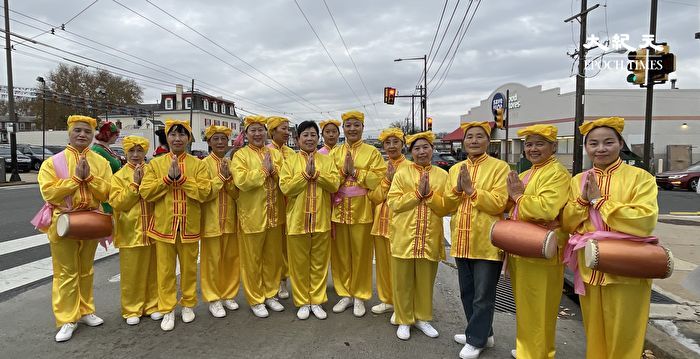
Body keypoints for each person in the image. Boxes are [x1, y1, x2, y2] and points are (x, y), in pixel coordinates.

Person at [562, 117, 659, 359]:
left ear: (620, 144)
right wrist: (583, 201)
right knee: (594, 332)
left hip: (626, 264)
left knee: (625, 334)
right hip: (590, 264)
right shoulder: (578, 180)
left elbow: (644, 221)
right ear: (586, 148)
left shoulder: (640, 178)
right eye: (593, 144)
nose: (600, 149)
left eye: (608, 142)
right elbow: (568, 223)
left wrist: (600, 201)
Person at [36, 115, 111, 342]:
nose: (82, 135)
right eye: (77, 130)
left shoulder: (101, 162)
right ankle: (67, 318)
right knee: (66, 272)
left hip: (90, 220)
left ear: (92, 136)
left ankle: (86, 309)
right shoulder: (53, 162)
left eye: (87, 132)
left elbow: (107, 192)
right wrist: (75, 180)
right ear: (69, 133)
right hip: (64, 222)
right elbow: (49, 192)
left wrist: (90, 179)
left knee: (86, 268)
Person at [505, 125, 571, 359]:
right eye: (529, 144)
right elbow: (512, 206)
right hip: (522, 247)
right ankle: (528, 349)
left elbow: (546, 210)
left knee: (541, 307)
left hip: (543, 251)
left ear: (553, 147)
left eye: (539, 143)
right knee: (525, 305)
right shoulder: (526, 174)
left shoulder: (557, 173)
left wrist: (517, 197)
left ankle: (540, 353)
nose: (533, 149)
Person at [140, 119, 212, 331]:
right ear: (167, 138)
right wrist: (166, 180)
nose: (177, 139)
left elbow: (204, 193)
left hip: (189, 225)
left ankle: (188, 304)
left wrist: (180, 179)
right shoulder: (154, 164)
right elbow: (145, 192)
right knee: (165, 271)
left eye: (182, 135)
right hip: (164, 226)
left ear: (189, 139)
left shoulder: (198, 164)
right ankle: (167, 308)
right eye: (173, 134)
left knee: (189, 269)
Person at [445, 122, 509, 359]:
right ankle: (484, 333)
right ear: (463, 142)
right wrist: (456, 192)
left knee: (483, 295)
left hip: (487, 241)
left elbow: (499, 203)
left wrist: (472, 191)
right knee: (467, 292)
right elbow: (448, 206)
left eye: (479, 137)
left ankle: (476, 339)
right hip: (461, 239)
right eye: (469, 137)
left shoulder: (500, 168)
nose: (473, 141)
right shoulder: (456, 169)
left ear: (488, 141)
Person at [387, 131, 449, 340]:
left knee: (425, 280)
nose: (421, 152)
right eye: (417, 148)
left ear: (432, 149)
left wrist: (429, 196)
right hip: (404, 236)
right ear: (410, 152)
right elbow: (393, 203)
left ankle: (423, 318)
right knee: (402, 281)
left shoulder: (442, 176)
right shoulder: (402, 173)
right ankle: (404, 319)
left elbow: (446, 208)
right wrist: (416, 195)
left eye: (425, 147)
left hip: (429, 236)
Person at [279, 121, 340, 320]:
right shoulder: (290, 161)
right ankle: (303, 301)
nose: (310, 138)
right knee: (299, 265)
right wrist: (305, 176)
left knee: (319, 263)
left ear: (318, 138)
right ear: (297, 139)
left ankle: (317, 300)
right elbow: (286, 188)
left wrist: (318, 176)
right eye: (305, 135)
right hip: (297, 220)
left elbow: (334, 185)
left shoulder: (327, 161)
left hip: (321, 219)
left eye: (313, 135)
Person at [329, 111, 387, 317]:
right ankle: (345, 294)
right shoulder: (334, 152)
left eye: (356, 125)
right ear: (343, 128)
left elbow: (377, 179)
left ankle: (360, 295)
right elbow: (328, 179)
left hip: (362, 211)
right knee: (341, 255)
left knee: (361, 255)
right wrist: (341, 173)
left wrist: (356, 172)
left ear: (363, 127)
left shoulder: (372, 153)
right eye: (348, 125)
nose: (352, 129)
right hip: (339, 209)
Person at [232, 115, 286, 318]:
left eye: (260, 130)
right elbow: (242, 181)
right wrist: (264, 171)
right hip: (252, 216)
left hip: (275, 215)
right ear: (246, 134)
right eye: (252, 130)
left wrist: (275, 171)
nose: (257, 134)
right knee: (252, 260)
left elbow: (285, 176)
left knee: (273, 258)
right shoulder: (240, 156)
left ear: (266, 132)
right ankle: (256, 298)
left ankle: (271, 294)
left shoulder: (274, 153)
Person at [108, 135, 161, 326]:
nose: (136, 155)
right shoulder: (119, 176)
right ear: (126, 152)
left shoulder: (153, 171)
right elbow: (117, 203)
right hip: (131, 231)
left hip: (154, 230)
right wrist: (134, 186)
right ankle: (131, 308)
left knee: (154, 271)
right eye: (132, 151)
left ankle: (153, 305)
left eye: (140, 151)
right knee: (131, 273)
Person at [367, 127, 409, 319]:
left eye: (395, 142)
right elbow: (374, 196)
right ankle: (386, 300)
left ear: (403, 144)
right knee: (382, 266)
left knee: (399, 268)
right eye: (387, 143)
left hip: (400, 224)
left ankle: (400, 304)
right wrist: (386, 181)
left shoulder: (409, 167)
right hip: (380, 223)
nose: (391, 146)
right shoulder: (381, 167)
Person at [200, 125, 241, 318]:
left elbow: (237, 194)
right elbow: (204, 193)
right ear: (208, 142)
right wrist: (220, 179)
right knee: (212, 261)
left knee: (231, 259)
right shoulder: (203, 164)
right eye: (215, 139)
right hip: (211, 221)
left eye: (223, 139)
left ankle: (228, 294)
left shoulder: (232, 163)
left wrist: (229, 181)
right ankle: (213, 298)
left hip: (231, 219)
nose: (219, 142)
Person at [267, 115, 295, 299]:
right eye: (283, 129)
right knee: (273, 247)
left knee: (287, 246)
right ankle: (275, 281)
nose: (287, 132)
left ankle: (284, 279)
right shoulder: (266, 151)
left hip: (291, 204)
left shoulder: (291, 153)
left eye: (288, 129)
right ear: (273, 131)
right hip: (272, 205)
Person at [91, 121, 122, 213]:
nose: (117, 137)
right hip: (105, 195)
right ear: (108, 134)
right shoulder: (97, 150)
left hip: (115, 191)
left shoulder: (107, 149)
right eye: (115, 134)